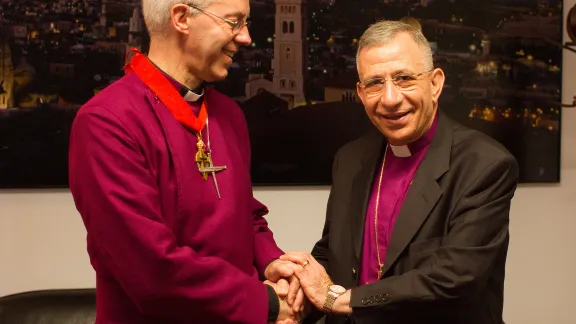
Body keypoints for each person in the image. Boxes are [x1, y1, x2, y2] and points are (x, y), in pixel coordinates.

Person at [69, 0, 303, 323]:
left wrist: (271, 261)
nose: (246, 37)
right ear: (181, 18)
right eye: (234, 22)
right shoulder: (106, 122)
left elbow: (245, 215)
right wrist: (267, 303)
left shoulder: (230, 115)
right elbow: (152, 272)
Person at [281, 20, 519, 324]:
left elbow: (455, 277)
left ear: (435, 83)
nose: (390, 99)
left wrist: (344, 301)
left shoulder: (485, 165)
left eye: (404, 78)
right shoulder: (350, 159)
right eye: (375, 83)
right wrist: (294, 301)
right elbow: (333, 255)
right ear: (360, 92)